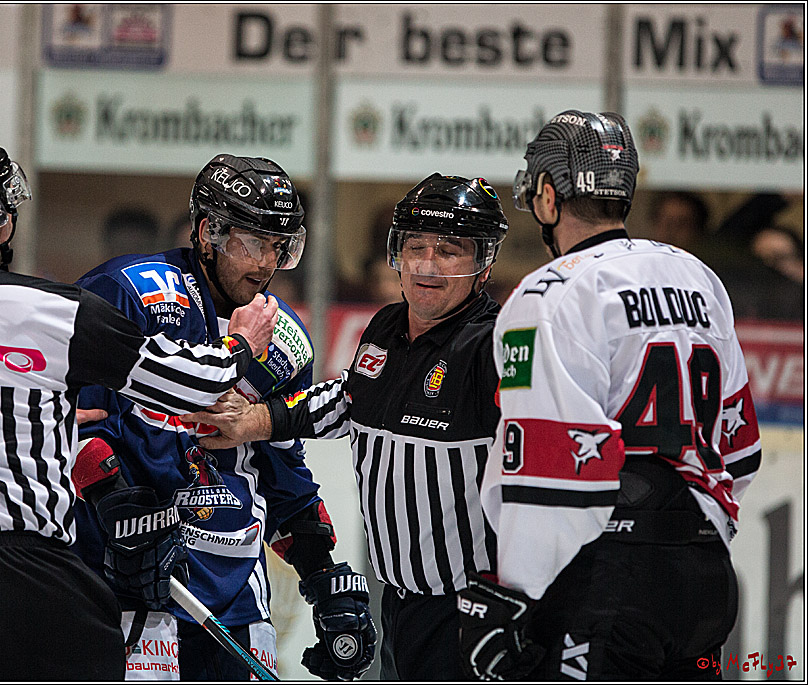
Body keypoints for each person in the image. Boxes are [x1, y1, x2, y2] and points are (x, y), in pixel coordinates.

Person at [0, 136, 279, 681]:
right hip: (26, 575)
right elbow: (196, 384)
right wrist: (242, 344)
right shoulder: (46, 308)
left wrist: (46, 418)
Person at [458, 110, 763, 680]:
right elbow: (739, 446)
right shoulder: (698, 276)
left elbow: (548, 470)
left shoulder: (547, 294)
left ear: (547, 196)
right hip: (706, 578)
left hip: (608, 584)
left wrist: (516, 597)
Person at [182, 173, 510, 680]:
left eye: (449, 251)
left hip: (473, 609)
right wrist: (253, 422)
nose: (426, 265)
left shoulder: (495, 347)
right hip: (399, 601)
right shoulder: (386, 326)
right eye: (415, 246)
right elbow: (349, 400)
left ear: (484, 264)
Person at [70, 153, 376, 680]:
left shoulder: (285, 337)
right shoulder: (130, 293)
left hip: (235, 597)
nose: (267, 264)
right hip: (127, 586)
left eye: (280, 247)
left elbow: (284, 478)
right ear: (208, 231)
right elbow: (72, 416)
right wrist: (114, 504)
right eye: (254, 243)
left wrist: (323, 576)